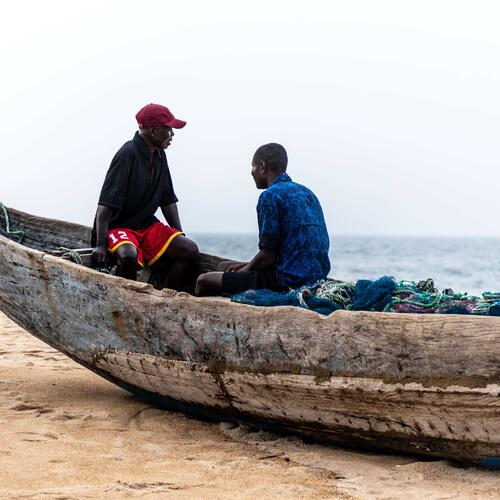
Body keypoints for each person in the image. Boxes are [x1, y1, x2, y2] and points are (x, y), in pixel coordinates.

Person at [195, 143, 330, 296]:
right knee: (224, 266)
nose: (251, 173)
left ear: (262, 167)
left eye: (253, 167)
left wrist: (244, 271)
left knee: (203, 280)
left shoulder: (270, 196)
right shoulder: (308, 194)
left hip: (285, 282)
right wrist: (244, 266)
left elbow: (267, 256)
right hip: (316, 279)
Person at [91, 103, 199, 289]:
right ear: (154, 131)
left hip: (146, 225)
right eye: (169, 130)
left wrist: (179, 234)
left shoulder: (159, 155)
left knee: (188, 250)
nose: (172, 135)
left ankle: (166, 300)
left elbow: (168, 201)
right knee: (127, 256)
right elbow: (105, 205)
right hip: (118, 226)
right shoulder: (128, 154)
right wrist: (100, 245)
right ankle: (126, 301)